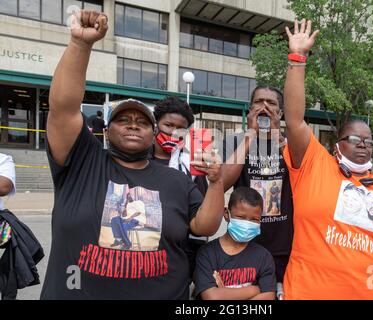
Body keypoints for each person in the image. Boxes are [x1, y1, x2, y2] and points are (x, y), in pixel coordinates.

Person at [40, 10, 224, 299]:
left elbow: (205, 226)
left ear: (152, 135)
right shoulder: (81, 163)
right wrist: (80, 44)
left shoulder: (175, 180)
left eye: (142, 122)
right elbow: (63, 108)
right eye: (123, 120)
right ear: (106, 130)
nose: (133, 125)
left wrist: (216, 183)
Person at [281, 18, 373, 299]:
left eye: (369, 141)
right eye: (355, 139)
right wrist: (298, 58)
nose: (364, 145)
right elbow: (295, 121)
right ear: (337, 146)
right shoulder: (314, 166)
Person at [222, 86, 293, 299]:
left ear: (280, 113)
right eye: (259, 102)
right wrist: (250, 135)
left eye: (271, 103)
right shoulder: (236, 142)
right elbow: (222, 183)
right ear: (250, 108)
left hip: (283, 247)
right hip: (245, 244)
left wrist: (278, 137)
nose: (264, 107)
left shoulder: (291, 144)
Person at [151, 96, 209, 282]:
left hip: (180, 253)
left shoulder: (191, 164)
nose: (174, 133)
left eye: (180, 129)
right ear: (156, 124)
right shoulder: (138, 159)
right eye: (168, 125)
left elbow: (201, 211)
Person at [193, 187, 276, 300]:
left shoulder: (264, 256)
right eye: (241, 217)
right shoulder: (207, 253)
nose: (247, 223)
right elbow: (212, 297)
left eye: (254, 219)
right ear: (227, 214)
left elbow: (268, 296)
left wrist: (224, 293)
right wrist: (254, 289)